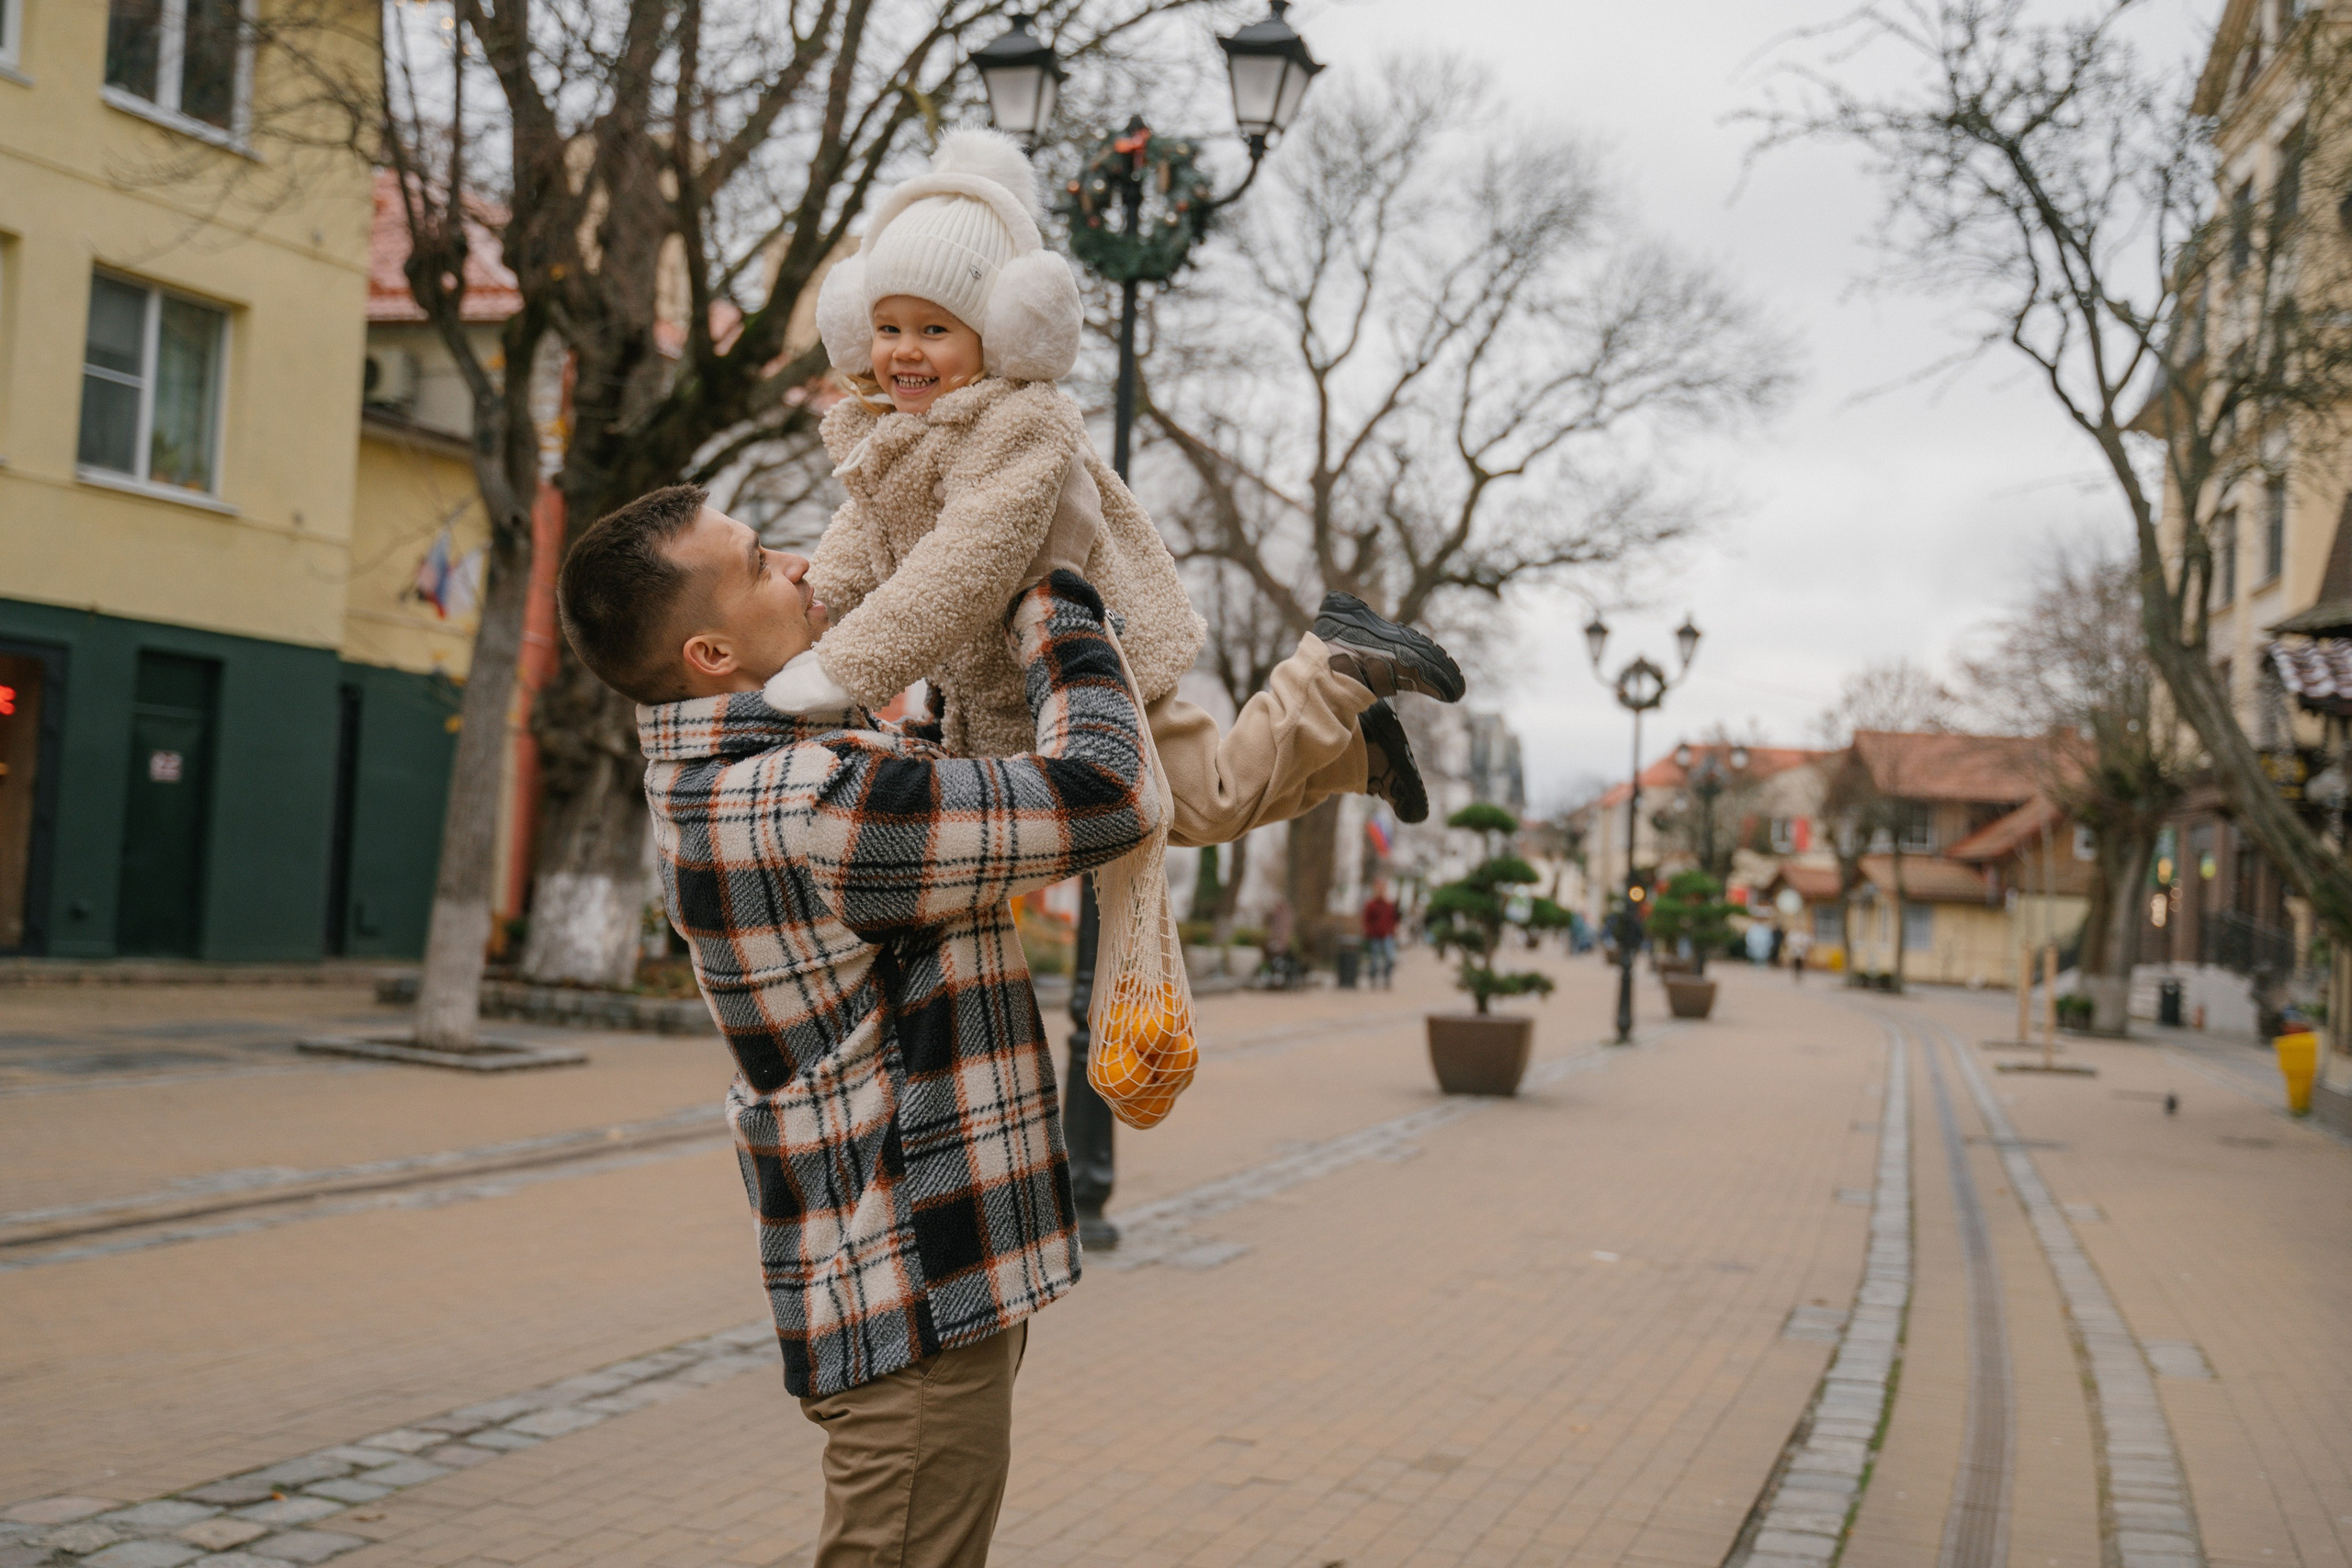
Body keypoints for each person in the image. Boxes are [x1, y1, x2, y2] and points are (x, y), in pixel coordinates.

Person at [556, 481, 1131, 1568]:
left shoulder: (739, 777)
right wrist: (1051, 591)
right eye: (763, 563)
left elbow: (936, 750)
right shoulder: (806, 802)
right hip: (911, 1287)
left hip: (896, 1276)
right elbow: (1102, 792)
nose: (804, 570)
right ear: (713, 656)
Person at [786, 129, 1464, 836]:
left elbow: (964, 564)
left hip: (1094, 659)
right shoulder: (897, 441)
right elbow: (859, 548)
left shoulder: (1020, 425)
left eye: (934, 328)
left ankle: (1335, 668)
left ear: (1002, 334)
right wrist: (795, 619)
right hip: (1027, 684)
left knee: (1205, 805)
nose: (905, 351)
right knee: (1203, 808)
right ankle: (1355, 747)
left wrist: (842, 667)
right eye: (888, 327)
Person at [1362, 882, 1400, 989]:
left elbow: (1394, 919)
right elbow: (1367, 920)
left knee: (1389, 958)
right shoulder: (1371, 905)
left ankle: (1387, 978)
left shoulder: (1389, 905)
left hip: (1388, 935)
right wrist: (1369, 932)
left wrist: (1393, 930)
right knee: (1374, 959)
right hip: (1375, 936)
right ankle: (1373, 979)